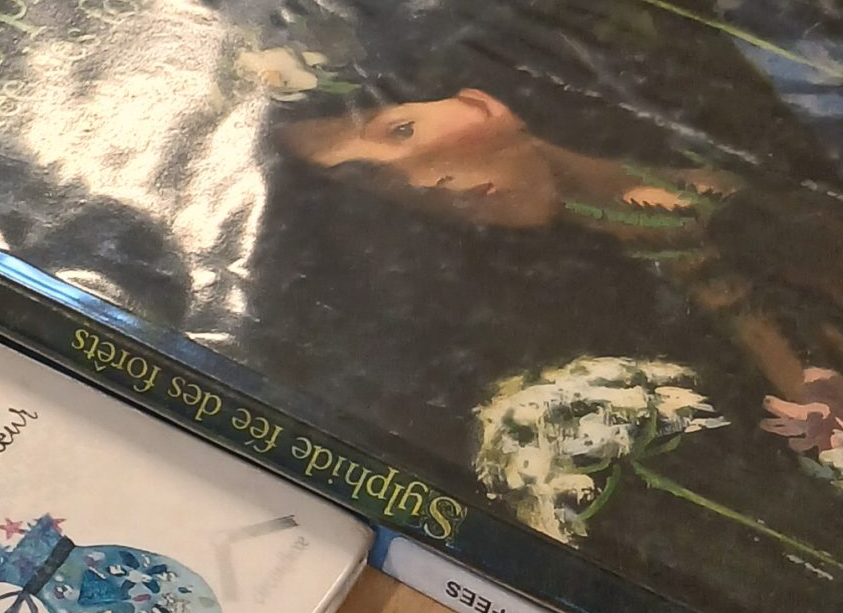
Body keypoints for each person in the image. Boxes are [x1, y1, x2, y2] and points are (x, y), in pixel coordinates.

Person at [280, 84, 843, 445]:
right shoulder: (597, 340)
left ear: (480, 101)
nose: (423, 176)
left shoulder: (726, 132)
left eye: (402, 130)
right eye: (369, 176)